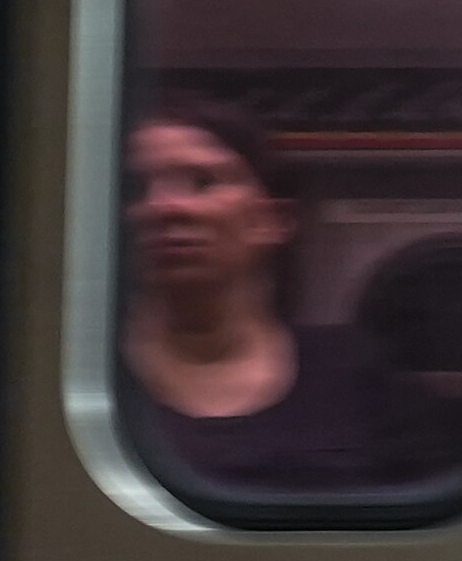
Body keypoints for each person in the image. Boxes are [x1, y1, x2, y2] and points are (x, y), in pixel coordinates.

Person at [119, 96, 437, 495]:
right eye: (136, 187)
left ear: (273, 221)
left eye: (203, 182)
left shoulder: (355, 375)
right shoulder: (81, 377)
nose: (163, 206)